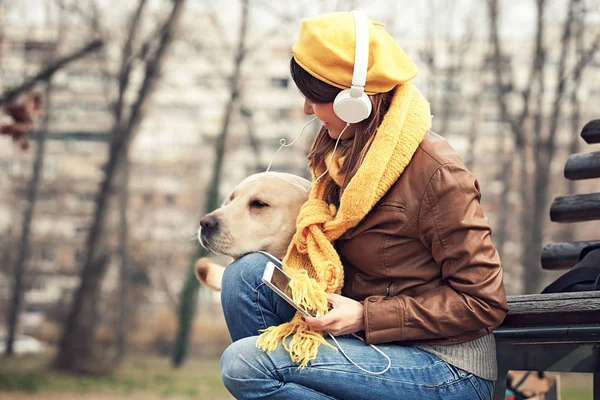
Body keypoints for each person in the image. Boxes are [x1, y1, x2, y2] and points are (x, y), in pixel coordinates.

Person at [219, 11, 508, 400]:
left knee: (246, 364)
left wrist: (365, 315)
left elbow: (482, 302)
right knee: (246, 277)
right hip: (374, 344)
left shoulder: (438, 174)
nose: (306, 108)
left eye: (314, 96)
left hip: (445, 366)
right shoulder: (339, 159)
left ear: (354, 100)